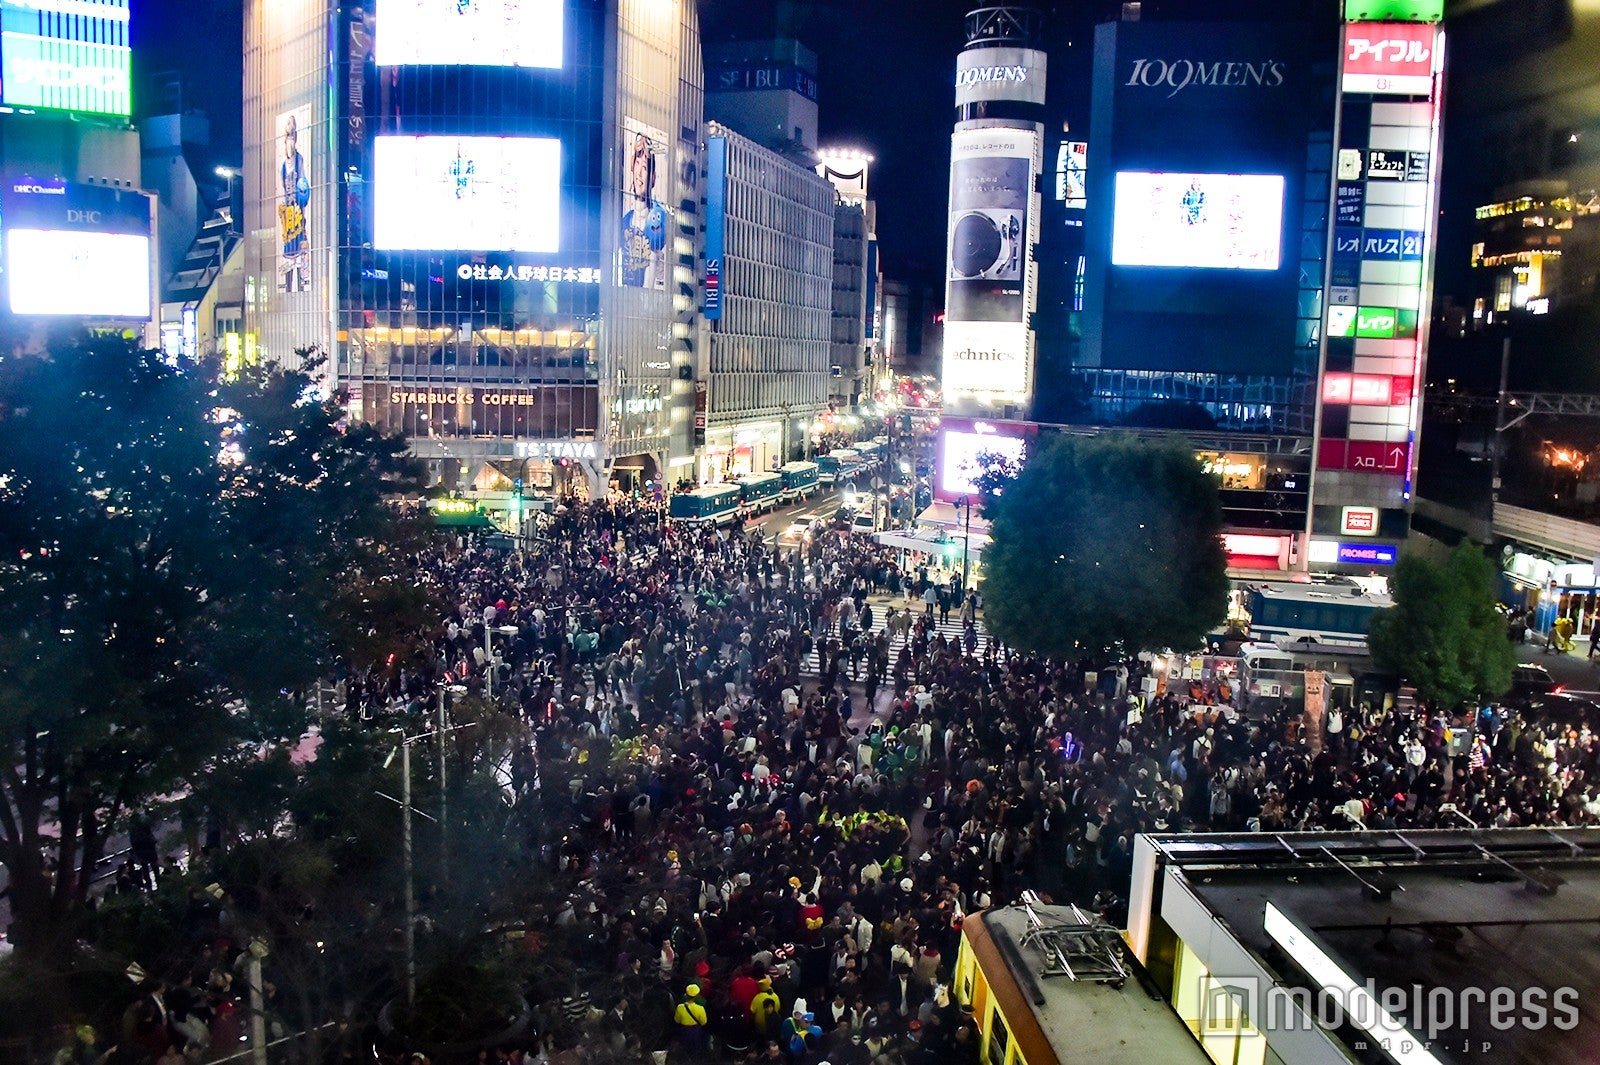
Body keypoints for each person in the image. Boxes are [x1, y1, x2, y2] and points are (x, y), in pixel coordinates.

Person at [621, 131, 669, 289]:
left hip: (645, 296)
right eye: (637, 164)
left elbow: (653, 267)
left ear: (653, 177)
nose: (639, 174)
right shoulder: (626, 220)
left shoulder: (656, 218)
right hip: (624, 293)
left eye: (645, 167)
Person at [277, 113, 310, 292]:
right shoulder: (283, 165)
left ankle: (302, 287)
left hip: (298, 214)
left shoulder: (300, 160)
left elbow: (304, 187)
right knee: (288, 255)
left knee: (300, 253)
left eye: (292, 137)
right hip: (288, 218)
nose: (289, 142)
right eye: (287, 137)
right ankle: (288, 289)